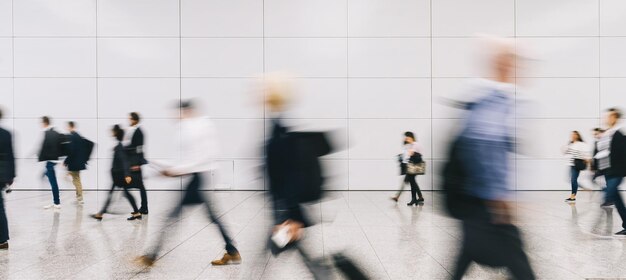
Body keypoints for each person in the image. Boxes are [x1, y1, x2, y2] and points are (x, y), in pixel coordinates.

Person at [445, 40, 535, 280]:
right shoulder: (495, 102)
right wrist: (500, 199)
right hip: (487, 202)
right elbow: (486, 151)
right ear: (503, 66)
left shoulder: (486, 99)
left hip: (475, 200)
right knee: (519, 264)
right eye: (515, 65)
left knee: (465, 254)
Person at [136, 100, 240, 267]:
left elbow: (202, 158)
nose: (177, 117)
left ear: (188, 111)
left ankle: (151, 255)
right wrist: (160, 166)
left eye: (180, 113)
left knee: (172, 216)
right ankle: (232, 251)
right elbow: (184, 159)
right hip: (197, 178)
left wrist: (175, 171)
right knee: (210, 217)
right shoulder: (190, 129)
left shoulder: (201, 127)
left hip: (199, 178)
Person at [90, 125, 141, 221]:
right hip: (118, 175)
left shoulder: (119, 147)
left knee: (118, 193)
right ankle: (101, 213)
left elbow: (125, 161)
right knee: (122, 193)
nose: (111, 133)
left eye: (113, 131)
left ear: (116, 134)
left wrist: (127, 175)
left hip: (120, 176)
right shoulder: (119, 146)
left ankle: (101, 213)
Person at [595, 108, 626, 236]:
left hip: (617, 170)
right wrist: (599, 171)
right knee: (615, 197)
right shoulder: (607, 134)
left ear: (614, 117)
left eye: (609, 117)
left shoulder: (619, 133)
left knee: (609, 194)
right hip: (608, 171)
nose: (606, 119)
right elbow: (602, 154)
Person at [391, 132, 425, 205]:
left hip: (414, 166)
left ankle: (400, 197)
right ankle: (417, 198)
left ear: (411, 137)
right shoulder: (412, 145)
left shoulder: (415, 144)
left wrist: (408, 151)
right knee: (413, 182)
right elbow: (409, 154)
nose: (406, 139)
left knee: (410, 182)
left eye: (407, 138)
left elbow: (411, 154)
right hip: (411, 165)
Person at [124, 112, 148, 214]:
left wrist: (136, 163)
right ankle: (143, 208)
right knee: (140, 186)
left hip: (135, 162)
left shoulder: (139, 132)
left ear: (135, 120)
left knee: (139, 186)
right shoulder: (132, 130)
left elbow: (139, 149)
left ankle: (143, 208)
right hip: (132, 161)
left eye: (130, 119)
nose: (128, 120)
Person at [39, 116, 62, 209]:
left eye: (41, 123)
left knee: (53, 182)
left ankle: (57, 203)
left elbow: (44, 147)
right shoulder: (55, 132)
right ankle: (56, 202)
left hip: (51, 160)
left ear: (44, 123)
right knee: (49, 177)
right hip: (54, 160)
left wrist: (40, 158)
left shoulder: (47, 133)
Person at [0, 109, 15, 250]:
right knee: (0, 207)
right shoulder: (6, 133)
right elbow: (11, 155)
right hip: (2, 175)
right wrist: (11, 176)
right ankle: (3, 240)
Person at [562, 131, 590, 202]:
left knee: (573, 180)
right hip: (570, 164)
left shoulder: (581, 144)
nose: (573, 136)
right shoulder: (570, 144)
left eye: (575, 134)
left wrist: (587, 160)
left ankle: (573, 196)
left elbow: (586, 153)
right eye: (572, 135)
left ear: (578, 136)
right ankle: (583, 188)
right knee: (570, 179)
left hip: (577, 164)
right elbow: (566, 153)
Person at [64, 121, 86, 205]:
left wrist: (66, 161)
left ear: (70, 127)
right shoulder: (78, 136)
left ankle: (80, 198)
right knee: (76, 180)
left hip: (74, 163)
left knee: (76, 181)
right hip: (77, 162)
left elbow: (71, 151)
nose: (67, 128)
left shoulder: (73, 137)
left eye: (67, 127)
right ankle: (79, 198)